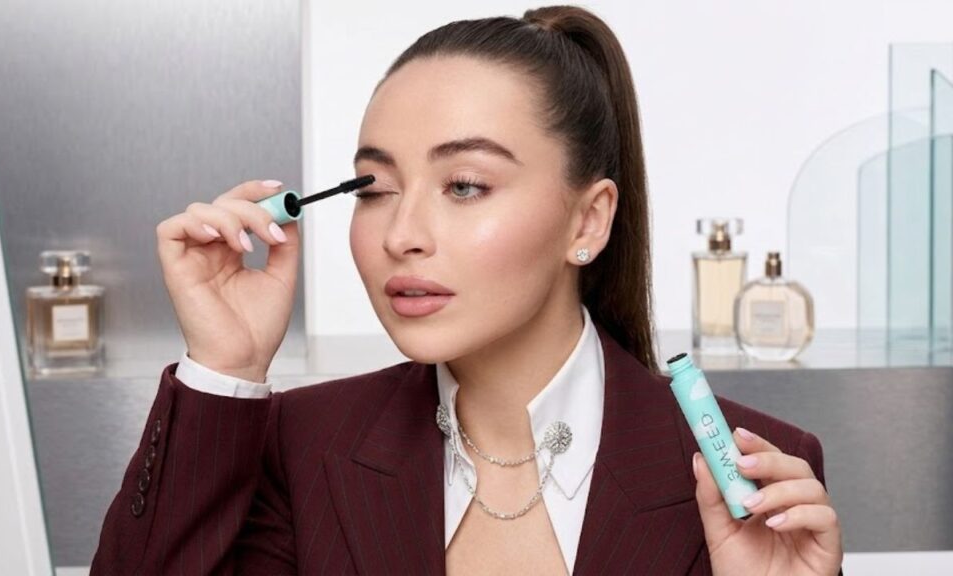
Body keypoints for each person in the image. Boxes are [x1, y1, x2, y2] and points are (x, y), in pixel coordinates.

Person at [91, 5, 843, 575]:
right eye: (374, 188)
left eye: (464, 185)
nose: (402, 234)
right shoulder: (303, 445)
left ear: (588, 219)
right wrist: (224, 366)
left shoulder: (744, 474)